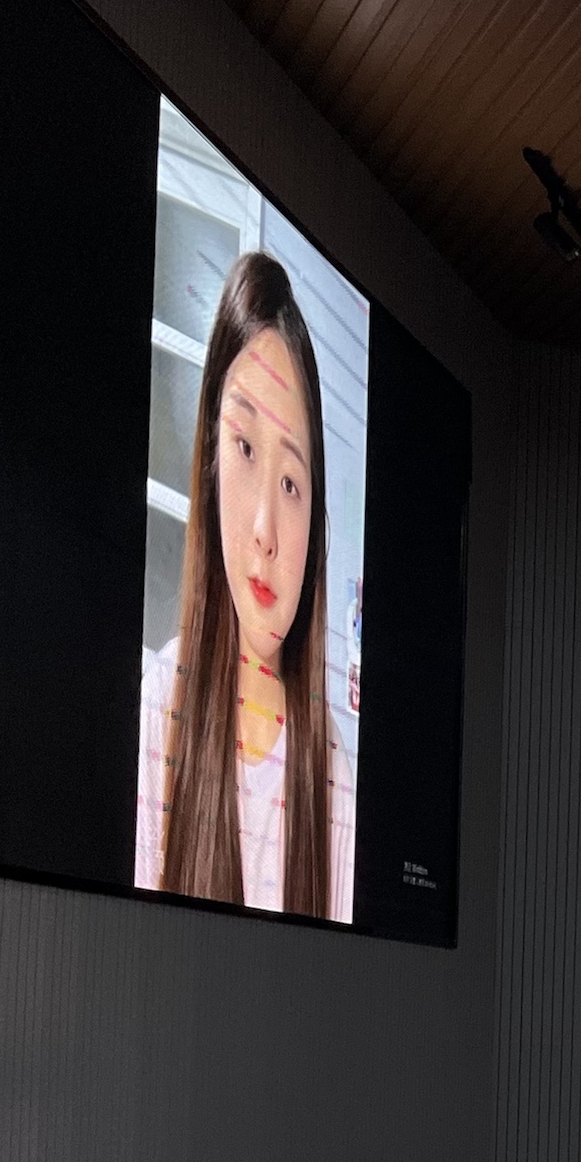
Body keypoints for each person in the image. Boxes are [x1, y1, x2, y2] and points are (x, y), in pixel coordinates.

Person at [136, 252, 354, 920]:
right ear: (210, 461)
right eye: (246, 448)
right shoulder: (161, 708)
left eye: (290, 483)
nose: (265, 530)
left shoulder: (333, 778)